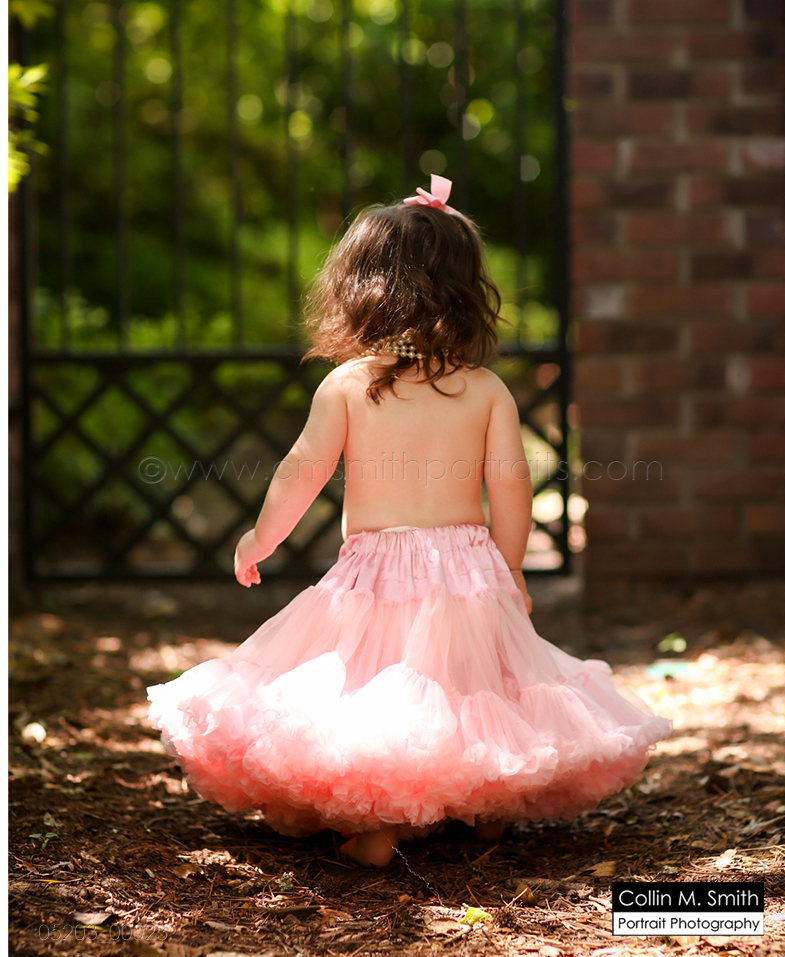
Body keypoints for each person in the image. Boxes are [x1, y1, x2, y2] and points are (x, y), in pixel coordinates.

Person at [147, 176, 673, 867]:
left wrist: (260, 537)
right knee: (471, 685)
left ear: (363, 287)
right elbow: (510, 486)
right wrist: (510, 566)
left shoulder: (348, 385)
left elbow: (303, 470)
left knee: (381, 688)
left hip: (376, 568)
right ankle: (486, 806)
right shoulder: (484, 389)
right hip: (469, 568)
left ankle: (380, 826)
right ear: (465, 291)